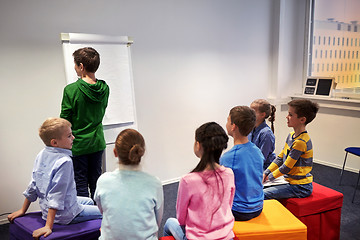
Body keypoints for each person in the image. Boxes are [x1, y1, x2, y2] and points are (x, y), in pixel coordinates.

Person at [7, 118, 102, 239]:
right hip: (66, 215)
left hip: (47, 211)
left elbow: (33, 185)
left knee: (88, 201)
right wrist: (48, 226)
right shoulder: (65, 162)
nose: (73, 137)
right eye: (69, 136)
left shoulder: (42, 154)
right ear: (55, 142)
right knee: (107, 211)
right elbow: (57, 195)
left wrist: (22, 210)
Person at [163, 122, 235, 240]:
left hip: (198, 237)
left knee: (169, 222)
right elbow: (228, 206)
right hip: (226, 236)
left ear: (198, 145)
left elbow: (181, 219)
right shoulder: (229, 173)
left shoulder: (188, 180)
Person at [94, 129, 164, 240]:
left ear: (115, 152)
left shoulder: (103, 180)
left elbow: (102, 210)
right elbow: (157, 221)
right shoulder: (154, 183)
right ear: (142, 152)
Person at [60, 47, 110, 199]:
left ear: (81, 66)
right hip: (97, 142)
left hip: (78, 145)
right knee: (96, 182)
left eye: (75, 65)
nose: (74, 68)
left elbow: (65, 121)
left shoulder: (71, 90)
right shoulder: (104, 88)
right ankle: (98, 217)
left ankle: (87, 219)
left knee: (80, 183)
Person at [263, 99, 319, 200]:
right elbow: (280, 158)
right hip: (288, 180)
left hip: (300, 187)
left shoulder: (300, 142)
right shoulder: (291, 135)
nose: (287, 116)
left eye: (290, 114)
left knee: (262, 194)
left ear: (302, 120)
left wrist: (269, 178)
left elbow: (286, 167)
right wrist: (266, 173)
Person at [220, 106, 264, 221]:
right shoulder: (257, 151)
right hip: (258, 207)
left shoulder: (228, 157)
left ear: (233, 126)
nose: (226, 124)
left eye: (228, 121)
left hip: (240, 211)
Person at [248, 99, 276, 170]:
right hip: (252, 166)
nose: (249, 114)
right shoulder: (250, 129)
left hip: (263, 169)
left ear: (262, 115)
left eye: (253, 112)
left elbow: (261, 158)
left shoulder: (266, 133)